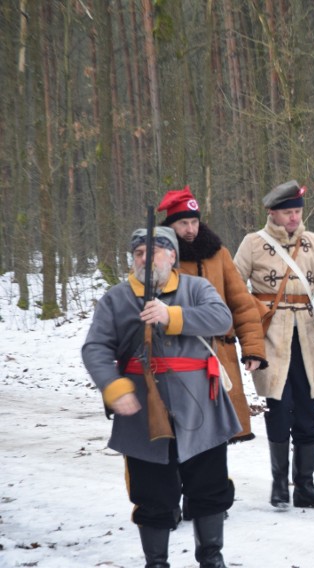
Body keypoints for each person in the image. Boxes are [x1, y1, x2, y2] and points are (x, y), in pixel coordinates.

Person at [82, 226, 240, 567]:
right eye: (139, 252)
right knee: (152, 496)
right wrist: (114, 387)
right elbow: (95, 347)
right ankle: (156, 563)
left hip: (201, 407)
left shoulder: (197, 288)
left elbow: (222, 318)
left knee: (209, 489)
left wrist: (172, 316)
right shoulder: (117, 298)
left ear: (172, 256)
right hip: (142, 412)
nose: (145, 258)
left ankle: (211, 559)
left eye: (154, 250)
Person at [233, 180, 314, 510]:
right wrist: (254, 313)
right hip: (272, 338)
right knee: (280, 409)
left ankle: (304, 486)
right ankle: (280, 484)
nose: (294, 218)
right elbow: (234, 288)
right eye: (287, 212)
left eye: (297, 212)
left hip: (308, 337)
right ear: (272, 213)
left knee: (308, 411)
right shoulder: (252, 244)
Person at [158, 185, 268, 447]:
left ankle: (212, 488)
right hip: (176, 356)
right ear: (171, 225)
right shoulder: (157, 257)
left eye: (194, 222)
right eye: (183, 223)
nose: (190, 229)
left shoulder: (218, 254)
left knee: (217, 434)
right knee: (178, 432)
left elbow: (241, 304)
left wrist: (252, 349)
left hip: (219, 356)